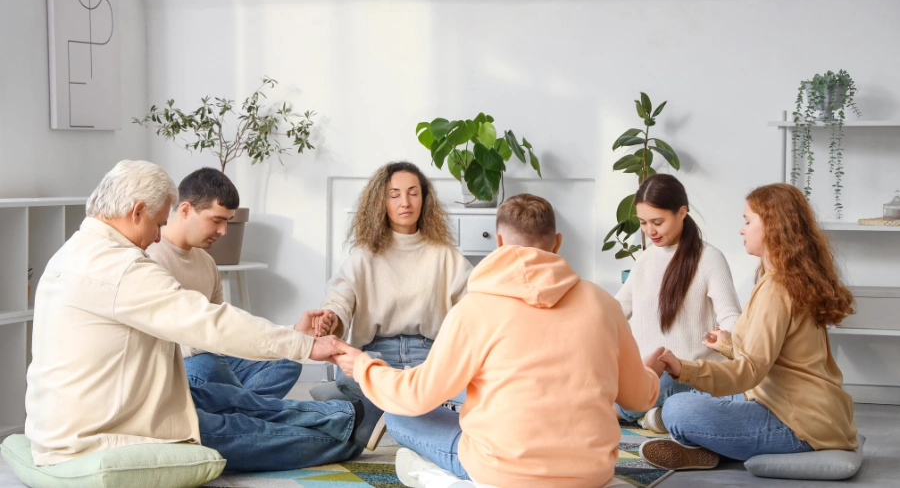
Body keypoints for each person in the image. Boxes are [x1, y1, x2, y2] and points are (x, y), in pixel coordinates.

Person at [25, 160, 378, 472]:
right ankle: (348, 440)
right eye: (157, 224)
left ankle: (349, 415)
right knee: (238, 429)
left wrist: (294, 340)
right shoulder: (120, 268)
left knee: (226, 399)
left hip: (106, 409)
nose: (156, 236)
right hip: (103, 429)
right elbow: (211, 324)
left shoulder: (73, 252)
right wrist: (305, 346)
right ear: (137, 212)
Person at [331, 193, 662, 488]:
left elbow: (415, 396)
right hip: (591, 473)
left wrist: (362, 365)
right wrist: (648, 373)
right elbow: (638, 398)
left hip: (505, 473)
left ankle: (440, 477)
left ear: (499, 242)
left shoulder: (473, 309)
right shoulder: (603, 303)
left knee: (399, 415)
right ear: (557, 242)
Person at [640, 183, 859, 470]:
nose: (741, 230)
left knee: (678, 408)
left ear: (772, 227)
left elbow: (749, 371)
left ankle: (689, 434)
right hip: (793, 404)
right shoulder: (784, 279)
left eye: (747, 221)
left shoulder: (777, 289)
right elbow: (777, 357)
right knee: (676, 384)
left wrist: (685, 368)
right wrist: (726, 345)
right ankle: (705, 447)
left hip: (798, 424)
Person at [311, 162, 472, 444]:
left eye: (413, 193)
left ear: (425, 199)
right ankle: (400, 404)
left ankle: (374, 406)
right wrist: (331, 318)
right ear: (380, 202)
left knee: (468, 386)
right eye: (394, 195)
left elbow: (473, 304)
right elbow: (340, 299)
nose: (405, 202)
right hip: (376, 355)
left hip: (429, 354)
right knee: (349, 383)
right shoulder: (364, 254)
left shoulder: (445, 255)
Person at [147, 168, 307, 399]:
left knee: (288, 358)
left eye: (227, 222)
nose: (223, 231)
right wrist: (212, 344)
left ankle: (240, 410)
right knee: (206, 367)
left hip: (212, 355)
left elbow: (224, 327)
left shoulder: (207, 263)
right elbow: (160, 340)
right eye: (217, 220)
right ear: (185, 210)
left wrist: (293, 333)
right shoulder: (150, 258)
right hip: (177, 362)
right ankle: (246, 408)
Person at [615, 174, 742, 433]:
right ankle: (654, 415)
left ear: (682, 213)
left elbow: (731, 316)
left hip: (687, 374)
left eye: (657, 222)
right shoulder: (645, 260)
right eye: (643, 223)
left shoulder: (709, 258)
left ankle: (634, 412)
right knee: (620, 381)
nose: (650, 231)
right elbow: (615, 310)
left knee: (660, 383)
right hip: (648, 374)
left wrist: (729, 338)